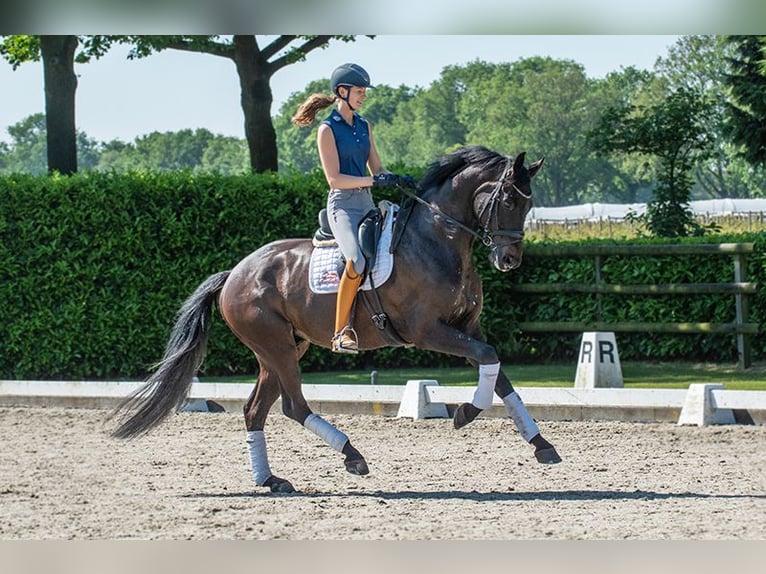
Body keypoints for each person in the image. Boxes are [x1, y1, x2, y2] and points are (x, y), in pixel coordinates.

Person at [292, 63, 404, 354]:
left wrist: (394, 177)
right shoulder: (327, 130)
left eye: (364, 91)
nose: (363, 96)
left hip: (367, 203)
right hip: (343, 207)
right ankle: (341, 332)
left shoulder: (365, 126)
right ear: (342, 92)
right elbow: (334, 179)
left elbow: (377, 166)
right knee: (355, 260)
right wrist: (372, 179)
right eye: (359, 91)